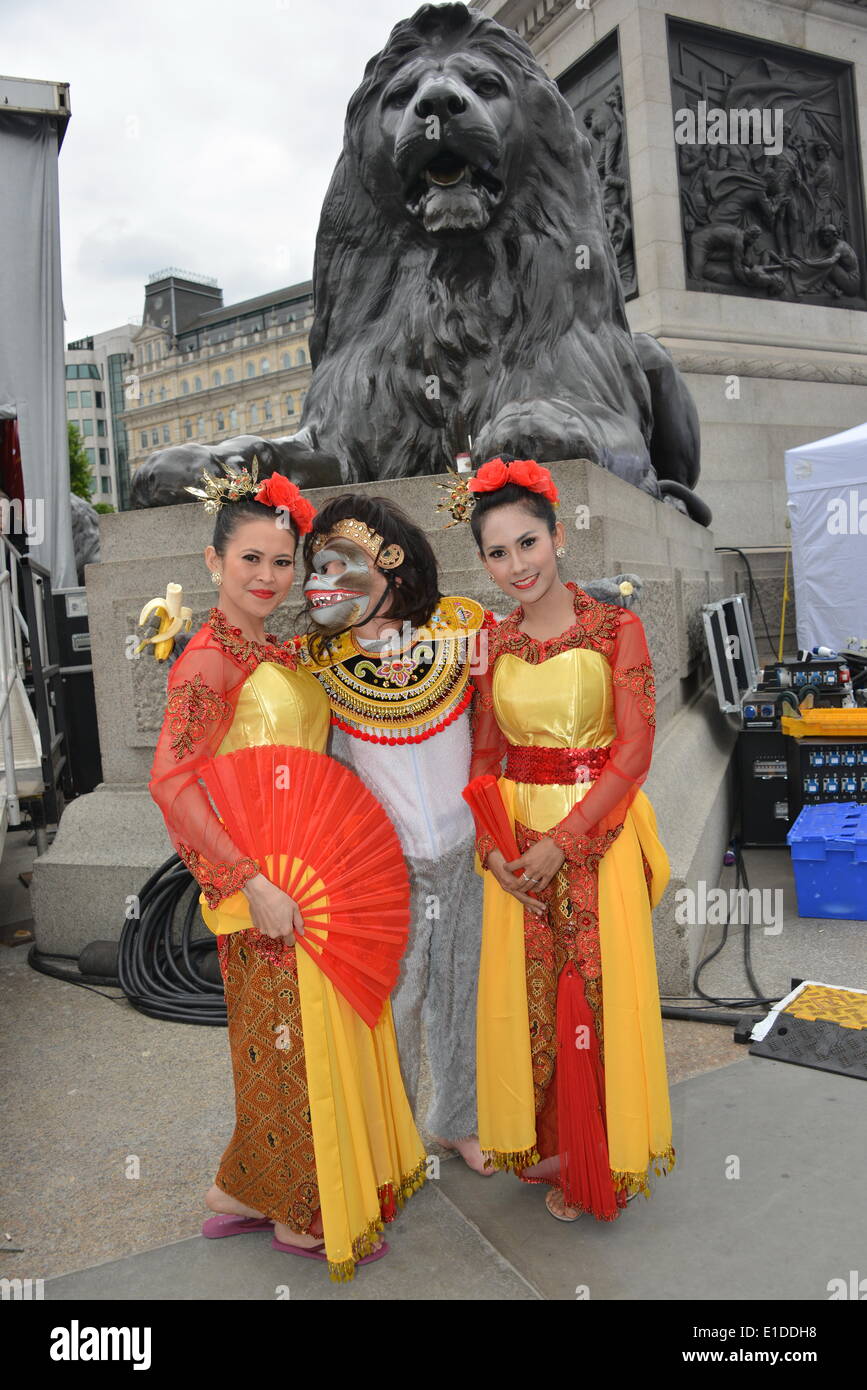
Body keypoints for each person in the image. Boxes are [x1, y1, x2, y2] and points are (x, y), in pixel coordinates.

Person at [147, 461, 426, 1280]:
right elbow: (172, 780)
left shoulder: (279, 647)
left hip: (313, 876)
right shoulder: (208, 662)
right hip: (263, 885)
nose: (269, 577)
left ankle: (242, 1186)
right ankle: (303, 1207)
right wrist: (245, 881)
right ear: (212, 564)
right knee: (287, 1044)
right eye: (250, 561)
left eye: (281, 563)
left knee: (295, 1043)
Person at [451, 454, 675, 1222]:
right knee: (534, 1000)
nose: (516, 564)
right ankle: (553, 1141)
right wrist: (492, 850)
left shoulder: (618, 627)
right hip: (515, 851)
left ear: (558, 538)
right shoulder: (493, 647)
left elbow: (633, 753)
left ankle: (601, 1154)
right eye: (497, 551)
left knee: (595, 992)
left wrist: (565, 842)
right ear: (482, 561)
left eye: (528, 543)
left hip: (595, 841)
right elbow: (484, 757)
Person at [298, 494, 493, 1174]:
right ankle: (395, 1137)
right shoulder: (315, 664)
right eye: (319, 567)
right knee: (396, 1004)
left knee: (460, 992)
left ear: (395, 569)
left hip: (465, 851)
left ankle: (457, 1122)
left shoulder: (464, 629)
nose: (327, 581)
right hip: (389, 866)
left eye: (344, 565)